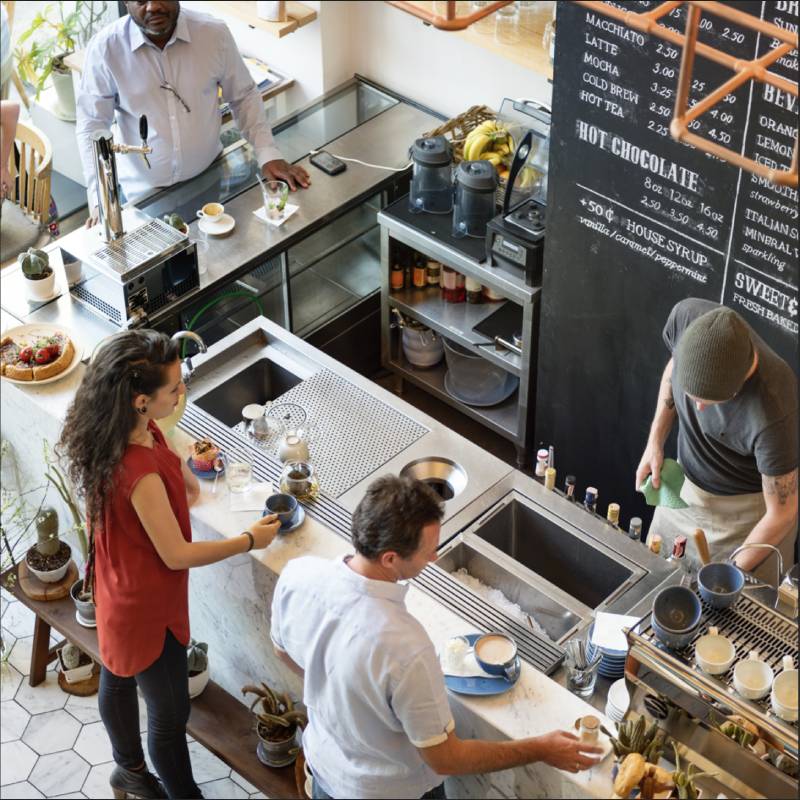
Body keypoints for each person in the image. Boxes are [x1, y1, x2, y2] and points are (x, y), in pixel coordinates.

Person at [271, 475, 602, 800]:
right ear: (390, 558)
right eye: (428, 551)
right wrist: (541, 748)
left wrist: (340, 693)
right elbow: (446, 759)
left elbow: (282, 651)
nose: (434, 557)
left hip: (325, 773)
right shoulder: (406, 648)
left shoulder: (299, 575)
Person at [57, 330, 281, 800]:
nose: (182, 393)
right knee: (169, 716)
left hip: (117, 584)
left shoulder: (124, 432)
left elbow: (187, 489)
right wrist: (247, 540)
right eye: (175, 388)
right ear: (141, 400)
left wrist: (179, 458)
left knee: (117, 674)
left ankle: (129, 771)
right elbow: (176, 553)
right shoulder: (137, 472)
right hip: (147, 608)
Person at [76, 0, 309, 224]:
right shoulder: (105, 49)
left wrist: (268, 153)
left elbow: (244, 96)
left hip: (208, 180)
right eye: (141, 0)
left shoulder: (213, 34)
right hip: (141, 197)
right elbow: (92, 126)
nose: (153, 6)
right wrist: (100, 199)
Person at [636, 298, 798, 579]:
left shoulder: (774, 409)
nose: (698, 408)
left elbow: (782, 513)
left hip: (746, 518)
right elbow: (674, 367)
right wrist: (655, 441)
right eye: (691, 396)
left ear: (739, 388)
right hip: (684, 491)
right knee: (657, 582)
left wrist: (730, 574)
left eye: (710, 402)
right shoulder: (686, 318)